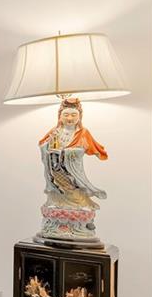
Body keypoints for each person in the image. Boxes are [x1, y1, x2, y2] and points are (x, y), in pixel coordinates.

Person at [37, 97, 107, 247]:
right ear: (60, 116)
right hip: (55, 169)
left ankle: (77, 220)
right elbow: (42, 144)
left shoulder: (82, 132)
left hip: (72, 171)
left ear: (79, 117)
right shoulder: (55, 131)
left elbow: (83, 149)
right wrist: (49, 148)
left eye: (73, 115)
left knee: (75, 194)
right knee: (56, 193)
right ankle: (56, 214)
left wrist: (66, 153)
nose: (70, 118)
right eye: (66, 115)